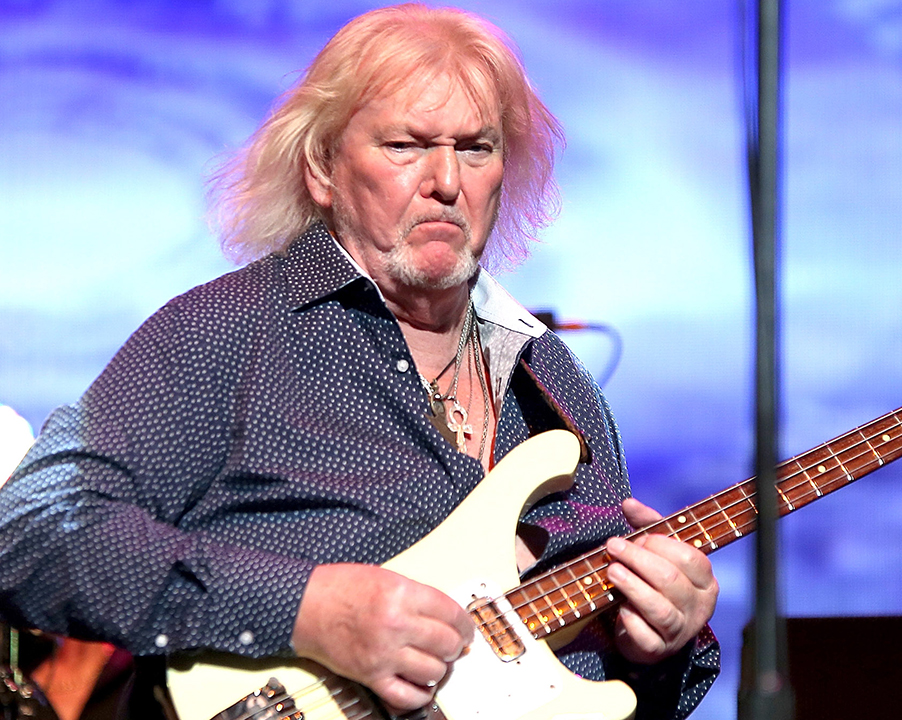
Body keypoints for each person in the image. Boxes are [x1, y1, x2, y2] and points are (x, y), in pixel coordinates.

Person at [0, 5, 720, 720]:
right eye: (406, 145)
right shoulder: (229, 331)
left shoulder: (557, 382)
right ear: (322, 168)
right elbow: (31, 531)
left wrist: (656, 651)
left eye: (475, 148)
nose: (445, 181)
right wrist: (309, 611)